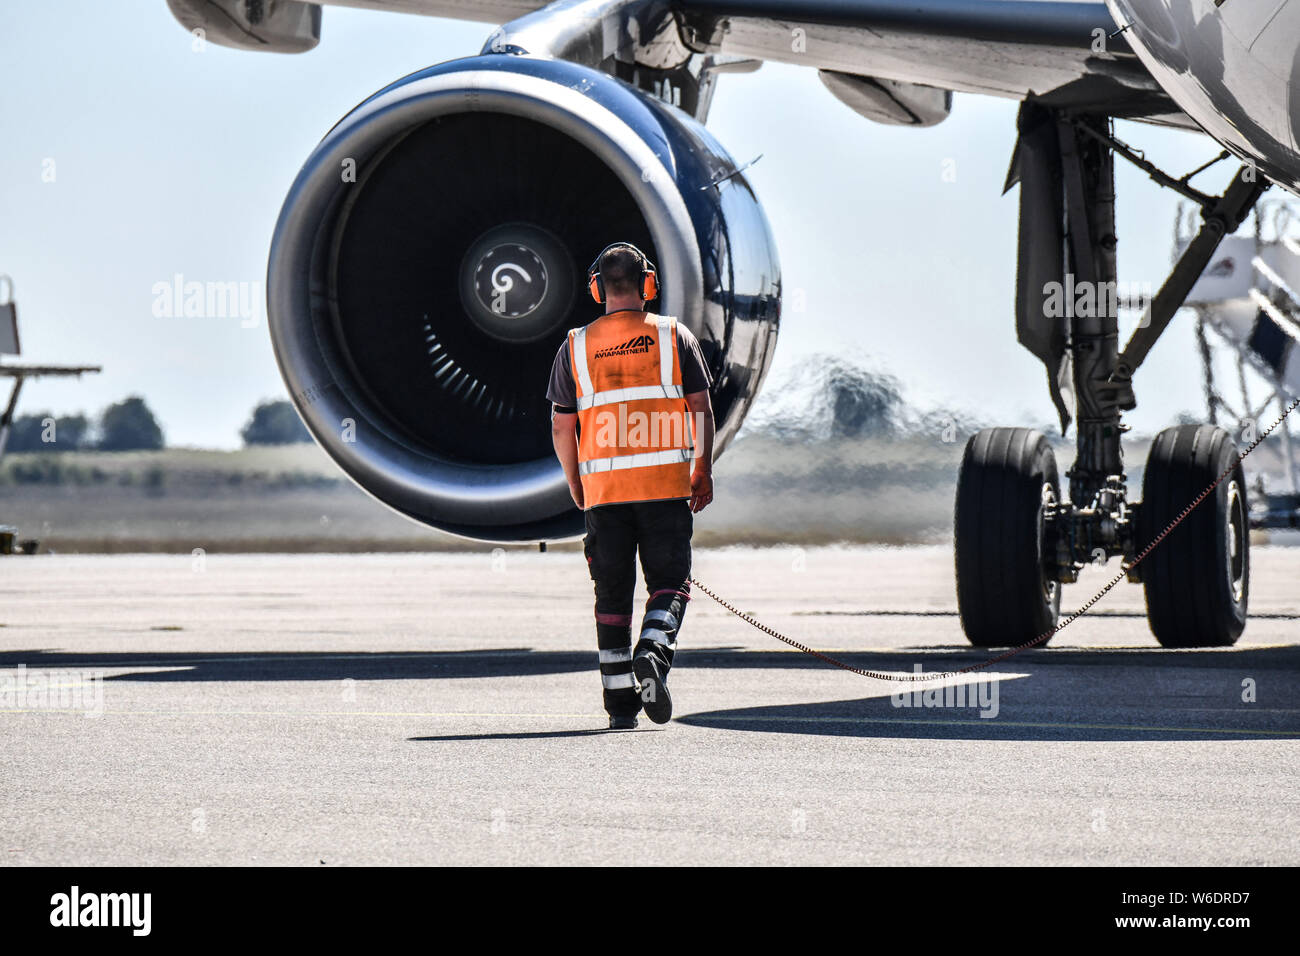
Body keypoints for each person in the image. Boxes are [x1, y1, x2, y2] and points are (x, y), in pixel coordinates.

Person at [547, 242, 715, 730]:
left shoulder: (574, 346)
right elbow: (700, 409)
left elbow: (562, 427)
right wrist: (701, 468)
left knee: (611, 598)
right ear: (648, 285)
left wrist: (576, 481)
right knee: (669, 584)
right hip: (665, 490)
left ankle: (621, 705)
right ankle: (655, 651)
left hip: (605, 495)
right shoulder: (673, 337)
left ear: (598, 288)